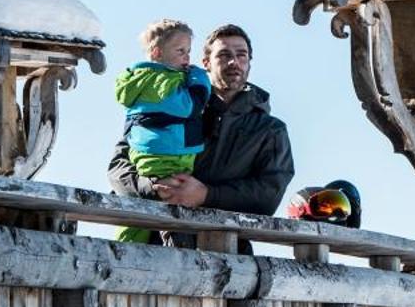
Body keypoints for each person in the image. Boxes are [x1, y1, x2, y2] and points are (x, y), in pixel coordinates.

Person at [108, 23, 294, 240]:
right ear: (205, 63)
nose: (234, 62)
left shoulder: (270, 130)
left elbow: (268, 194)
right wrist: (151, 186)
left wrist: (206, 195)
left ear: (249, 63)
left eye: (241, 55)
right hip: (149, 243)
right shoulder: (170, 102)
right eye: (224, 55)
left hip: (224, 253)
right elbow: (117, 167)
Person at [112, 18, 210, 243]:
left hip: (150, 154)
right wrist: (200, 77)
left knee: (140, 217)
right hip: (165, 159)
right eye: (180, 51)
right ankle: (134, 251)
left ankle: (125, 248)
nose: (187, 57)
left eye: (189, 51)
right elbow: (190, 105)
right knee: (162, 212)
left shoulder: (142, 79)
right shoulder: (159, 81)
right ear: (156, 53)